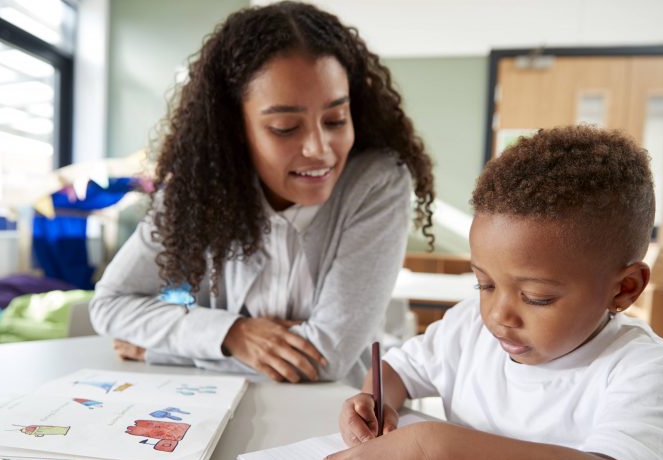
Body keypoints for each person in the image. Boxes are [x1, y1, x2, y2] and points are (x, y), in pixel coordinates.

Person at [288, 126, 663, 460]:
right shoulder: (468, 328)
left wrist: (435, 447)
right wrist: (369, 401)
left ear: (624, 289)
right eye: (484, 284)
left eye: (537, 297)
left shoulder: (645, 369)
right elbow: (395, 372)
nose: (499, 315)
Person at [89, 1, 435, 386]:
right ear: (236, 128)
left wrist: (163, 348)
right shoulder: (198, 188)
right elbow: (110, 305)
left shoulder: (378, 182)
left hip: (338, 415)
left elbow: (326, 357)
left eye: (336, 120)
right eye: (286, 127)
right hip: (214, 408)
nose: (319, 149)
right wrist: (235, 333)